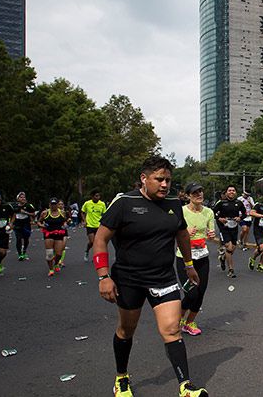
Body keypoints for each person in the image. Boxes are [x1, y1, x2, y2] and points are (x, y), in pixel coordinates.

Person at [92, 156, 208, 397]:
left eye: (168, 180)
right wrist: (103, 276)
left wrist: (188, 265)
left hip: (163, 278)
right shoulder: (124, 203)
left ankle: (185, 386)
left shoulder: (174, 204)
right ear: (144, 179)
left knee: (172, 329)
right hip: (129, 279)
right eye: (159, 179)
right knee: (126, 330)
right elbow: (101, 239)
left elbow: (182, 235)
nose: (165, 184)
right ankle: (121, 378)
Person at [178, 182, 216, 336]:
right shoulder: (181, 212)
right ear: (188, 196)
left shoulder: (208, 212)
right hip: (184, 258)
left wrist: (211, 236)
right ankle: (178, 320)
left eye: (200, 192)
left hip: (202, 256)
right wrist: (184, 232)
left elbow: (210, 235)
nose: (199, 195)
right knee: (191, 293)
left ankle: (189, 323)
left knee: (200, 292)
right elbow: (172, 234)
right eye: (195, 193)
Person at [213, 185, 246, 278]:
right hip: (225, 228)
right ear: (226, 192)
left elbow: (244, 213)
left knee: (232, 249)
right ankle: (231, 270)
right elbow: (213, 213)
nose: (231, 192)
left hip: (234, 227)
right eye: (229, 190)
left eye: (233, 190)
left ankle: (223, 258)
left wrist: (240, 218)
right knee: (229, 248)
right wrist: (220, 218)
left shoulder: (238, 203)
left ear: (235, 192)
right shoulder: (221, 203)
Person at [37, 198, 66, 277]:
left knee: (59, 254)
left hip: (59, 234)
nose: (53, 206)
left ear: (57, 204)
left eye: (55, 204)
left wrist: (65, 224)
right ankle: (51, 269)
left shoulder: (62, 212)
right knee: (49, 254)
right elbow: (39, 222)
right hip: (48, 234)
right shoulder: (45, 213)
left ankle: (56, 264)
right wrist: (42, 225)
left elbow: (65, 221)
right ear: (49, 205)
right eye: (52, 204)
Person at [81, 190, 107, 262]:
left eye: (99, 196)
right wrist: (84, 221)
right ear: (92, 196)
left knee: (97, 242)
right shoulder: (87, 203)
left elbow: (104, 214)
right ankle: (87, 251)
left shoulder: (102, 204)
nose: (98, 197)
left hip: (99, 225)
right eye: (96, 196)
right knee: (92, 242)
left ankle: (96, 256)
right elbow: (82, 212)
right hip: (90, 225)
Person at [13, 191, 36, 261]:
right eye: (21, 197)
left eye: (24, 197)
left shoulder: (29, 206)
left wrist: (25, 212)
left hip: (26, 224)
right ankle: (20, 254)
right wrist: (10, 223)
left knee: (26, 239)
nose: (23, 198)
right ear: (18, 199)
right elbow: (11, 215)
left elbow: (34, 214)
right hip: (17, 224)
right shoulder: (14, 206)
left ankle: (24, 251)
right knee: (18, 238)